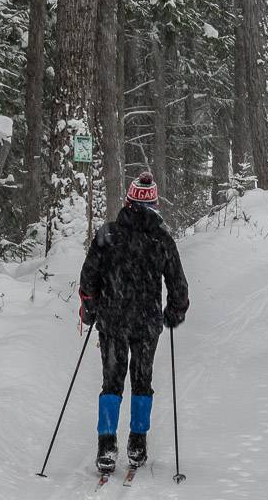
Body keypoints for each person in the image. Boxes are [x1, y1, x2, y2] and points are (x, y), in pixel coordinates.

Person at [78, 171, 189, 474]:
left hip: (113, 322)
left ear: (128, 201)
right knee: (142, 382)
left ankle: (106, 446)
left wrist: (89, 306)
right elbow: (178, 282)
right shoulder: (161, 238)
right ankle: (137, 444)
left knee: (111, 383)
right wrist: (175, 310)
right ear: (154, 204)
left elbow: (88, 277)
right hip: (146, 323)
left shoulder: (108, 234)